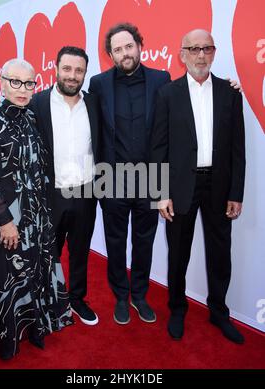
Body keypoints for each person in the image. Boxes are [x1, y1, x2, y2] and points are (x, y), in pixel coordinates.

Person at [151, 29, 246, 344]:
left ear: (214, 52)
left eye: (206, 48)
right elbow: (158, 148)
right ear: (182, 54)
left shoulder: (230, 93)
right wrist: (160, 193)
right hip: (179, 188)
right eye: (193, 49)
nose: (200, 55)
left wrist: (236, 192)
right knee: (178, 253)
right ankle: (177, 309)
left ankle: (219, 312)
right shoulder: (167, 94)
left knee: (221, 253)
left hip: (219, 187)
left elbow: (238, 149)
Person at [0, 59, 73, 360]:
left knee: (36, 274)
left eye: (29, 83)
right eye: (15, 82)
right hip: (10, 221)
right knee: (10, 279)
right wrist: (5, 222)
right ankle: (8, 340)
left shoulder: (32, 117)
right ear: (2, 83)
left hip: (37, 217)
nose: (22, 89)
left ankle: (35, 329)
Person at [89, 23, 171, 325]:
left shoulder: (161, 79)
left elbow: (179, 113)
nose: (124, 53)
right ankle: (121, 297)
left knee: (144, 242)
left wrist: (228, 87)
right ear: (111, 55)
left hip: (151, 178)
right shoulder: (99, 84)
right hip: (113, 179)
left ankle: (139, 295)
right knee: (114, 241)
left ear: (140, 46)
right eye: (118, 49)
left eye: (129, 46)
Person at [31, 46, 100, 326]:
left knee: (80, 250)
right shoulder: (37, 103)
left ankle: (76, 298)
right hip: (51, 194)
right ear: (56, 69)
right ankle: (48, 300)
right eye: (67, 69)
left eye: (79, 70)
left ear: (85, 72)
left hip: (85, 192)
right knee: (49, 251)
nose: (73, 76)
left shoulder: (94, 103)